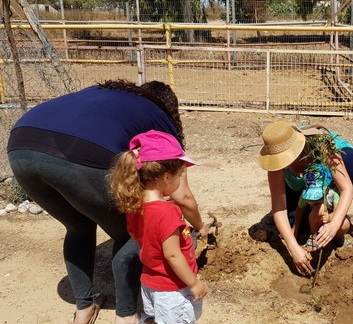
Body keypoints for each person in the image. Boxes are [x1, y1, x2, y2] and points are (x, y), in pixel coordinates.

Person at [6, 79, 209, 324]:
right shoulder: (159, 122)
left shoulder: (110, 95)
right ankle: (125, 314)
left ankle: (84, 307)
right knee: (130, 234)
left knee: (78, 227)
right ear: (171, 109)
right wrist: (199, 226)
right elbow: (183, 196)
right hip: (81, 154)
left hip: (22, 144)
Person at [110, 130, 207, 324]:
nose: (180, 180)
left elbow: (134, 233)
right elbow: (173, 255)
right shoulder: (167, 212)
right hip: (173, 289)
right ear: (165, 177)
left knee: (156, 318)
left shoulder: (135, 206)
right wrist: (193, 282)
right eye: (179, 175)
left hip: (150, 283)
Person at [258, 121, 353, 276]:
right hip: (302, 188)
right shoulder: (274, 161)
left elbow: (347, 188)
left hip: (337, 161)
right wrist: (293, 249)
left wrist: (334, 225)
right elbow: (279, 208)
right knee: (291, 227)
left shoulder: (320, 143)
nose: (285, 164)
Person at [293, 163, 350, 250]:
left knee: (345, 224)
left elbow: (338, 211)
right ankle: (313, 234)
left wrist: (330, 217)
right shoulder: (305, 195)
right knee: (320, 209)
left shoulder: (333, 193)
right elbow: (300, 210)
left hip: (333, 222)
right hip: (316, 222)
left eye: (318, 195)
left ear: (327, 188)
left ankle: (336, 239)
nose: (315, 199)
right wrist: (295, 229)